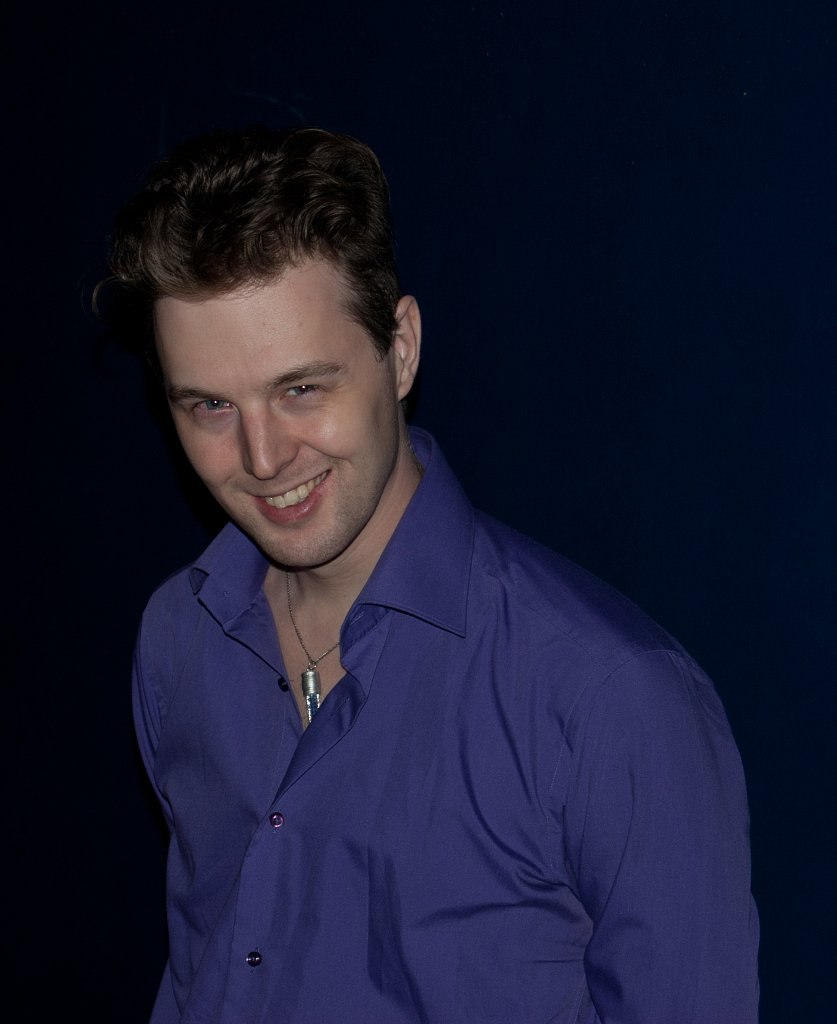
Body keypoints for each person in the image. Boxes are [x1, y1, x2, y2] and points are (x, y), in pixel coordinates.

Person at [107, 125, 759, 1023]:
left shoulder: (610, 698)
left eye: (302, 389)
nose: (260, 457)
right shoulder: (178, 640)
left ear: (402, 347)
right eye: (210, 405)